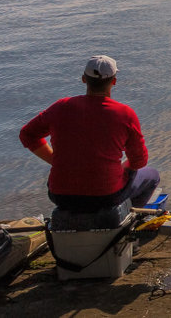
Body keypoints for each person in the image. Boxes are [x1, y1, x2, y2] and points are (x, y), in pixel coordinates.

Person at [20, 56, 160, 212]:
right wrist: (121, 168)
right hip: (106, 196)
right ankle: (126, 218)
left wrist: (55, 161)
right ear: (113, 81)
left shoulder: (61, 107)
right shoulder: (125, 114)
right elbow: (139, 161)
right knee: (152, 176)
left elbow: (27, 134)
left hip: (60, 194)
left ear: (83, 79)